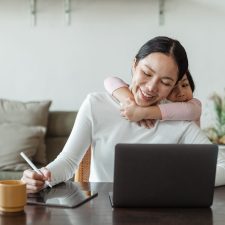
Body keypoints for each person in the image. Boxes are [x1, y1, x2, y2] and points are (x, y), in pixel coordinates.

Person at [22, 36, 225, 193]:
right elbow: (67, 163)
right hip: (99, 213)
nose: (151, 88)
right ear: (134, 64)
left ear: (174, 85)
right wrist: (41, 175)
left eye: (165, 82)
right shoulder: (96, 105)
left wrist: (184, 179)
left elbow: (222, 164)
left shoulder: (179, 121)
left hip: (161, 215)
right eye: (146, 73)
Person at [104, 69, 201, 128]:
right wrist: (131, 102)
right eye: (172, 89)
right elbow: (110, 81)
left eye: (185, 85)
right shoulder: (157, 101)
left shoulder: (194, 105)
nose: (181, 93)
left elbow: (189, 111)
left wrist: (142, 112)